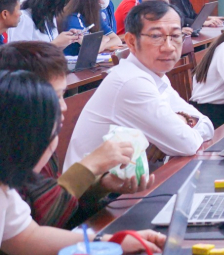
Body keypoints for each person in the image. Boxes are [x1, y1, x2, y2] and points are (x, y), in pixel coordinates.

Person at [0, 70, 164, 255]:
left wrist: (113, 243)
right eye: (53, 132)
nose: (52, 144)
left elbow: (27, 237)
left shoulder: (5, 185)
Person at [0, 42, 151, 228]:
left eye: (63, 95)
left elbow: (57, 210)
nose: (64, 106)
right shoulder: (13, 152)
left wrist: (101, 186)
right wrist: (91, 164)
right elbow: (37, 224)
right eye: (55, 97)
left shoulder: (40, 139)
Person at [65, 0, 214, 168]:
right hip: (91, 183)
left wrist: (180, 121)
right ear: (131, 41)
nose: (169, 47)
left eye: (175, 36)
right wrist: (183, 123)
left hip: (126, 175)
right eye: (156, 36)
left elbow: (207, 126)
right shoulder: (131, 82)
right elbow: (187, 144)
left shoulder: (154, 75)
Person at [8, 0, 81, 50]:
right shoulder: (23, 19)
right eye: (61, 2)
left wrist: (66, 41)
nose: (63, 6)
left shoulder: (49, 16)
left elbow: (53, 51)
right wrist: (55, 43)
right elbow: (19, 54)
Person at [58, 0, 122, 55]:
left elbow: (117, 40)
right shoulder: (73, 17)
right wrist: (105, 39)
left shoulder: (94, 14)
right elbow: (92, 48)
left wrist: (103, 43)